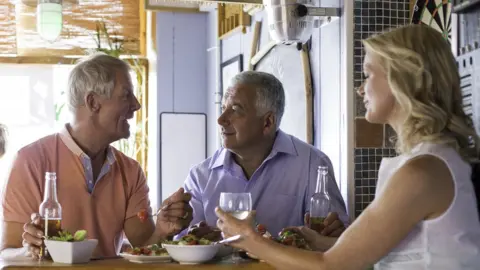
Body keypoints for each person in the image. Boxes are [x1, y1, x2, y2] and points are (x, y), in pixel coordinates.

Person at [215, 24, 480, 269]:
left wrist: (251, 240)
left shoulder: (421, 172)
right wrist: (323, 243)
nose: (360, 89)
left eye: (368, 74)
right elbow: (387, 251)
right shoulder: (428, 162)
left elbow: (331, 266)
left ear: (403, 79)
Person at [0, 53, 193, 259]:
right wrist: (29, 250)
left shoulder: (130, 171)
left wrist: (163, 230)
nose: (136, 105)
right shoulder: (30, 161)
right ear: (93, 102)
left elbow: (145, 249)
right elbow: (8, 253)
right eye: (126, 95)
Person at [182, 71, 349, 241]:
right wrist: (191, 233)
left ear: (267, 122)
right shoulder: (199, 177)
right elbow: (182, 244)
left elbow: (339, 243)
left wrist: (331, 232)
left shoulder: (312, 164)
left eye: (235, 110)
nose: (221, 119)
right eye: (223, 108)